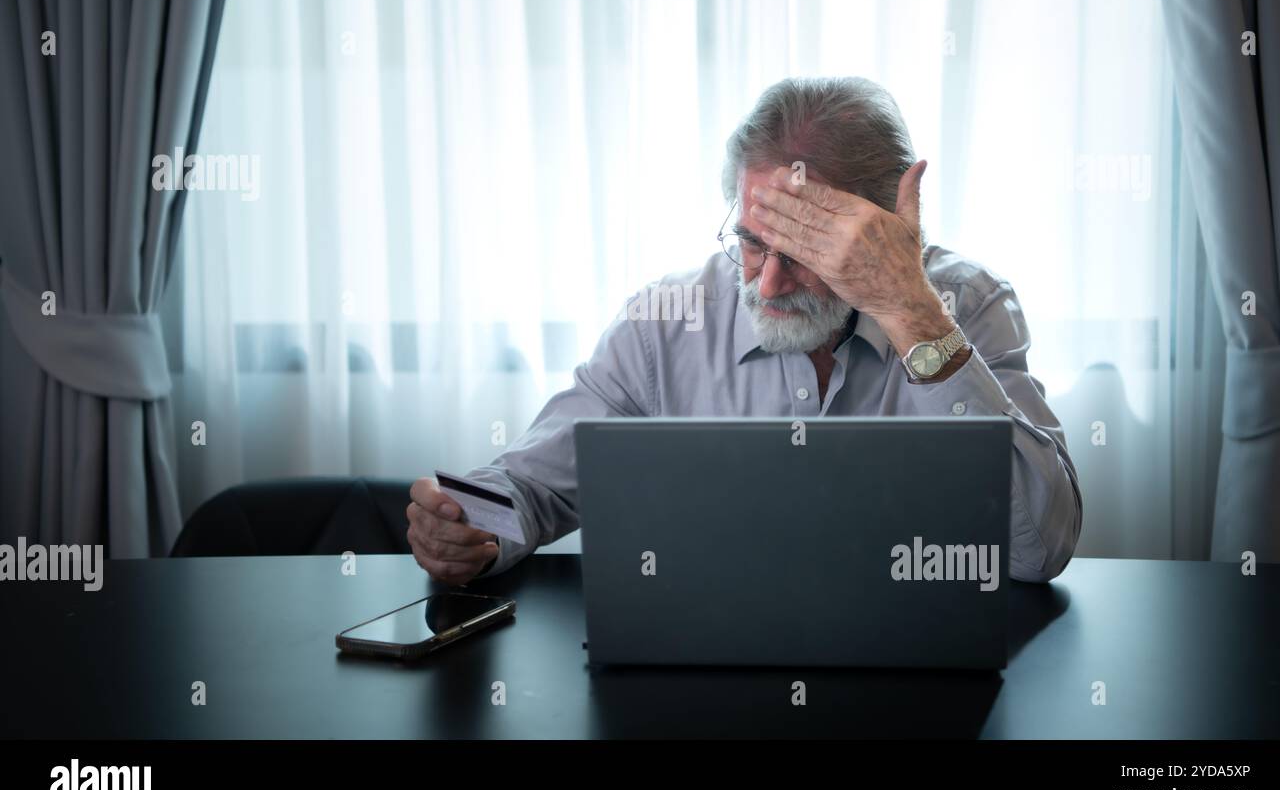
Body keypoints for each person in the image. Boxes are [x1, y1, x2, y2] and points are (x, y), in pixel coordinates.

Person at [405, 76, 1083, 586]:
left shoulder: (961, 305)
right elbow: (531, 484)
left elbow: (1036, 550)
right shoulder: (664, 324)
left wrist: (909, 308)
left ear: (887, 231)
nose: (767, 283)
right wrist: (471, 528)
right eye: (753, 242)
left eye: (809, 250)